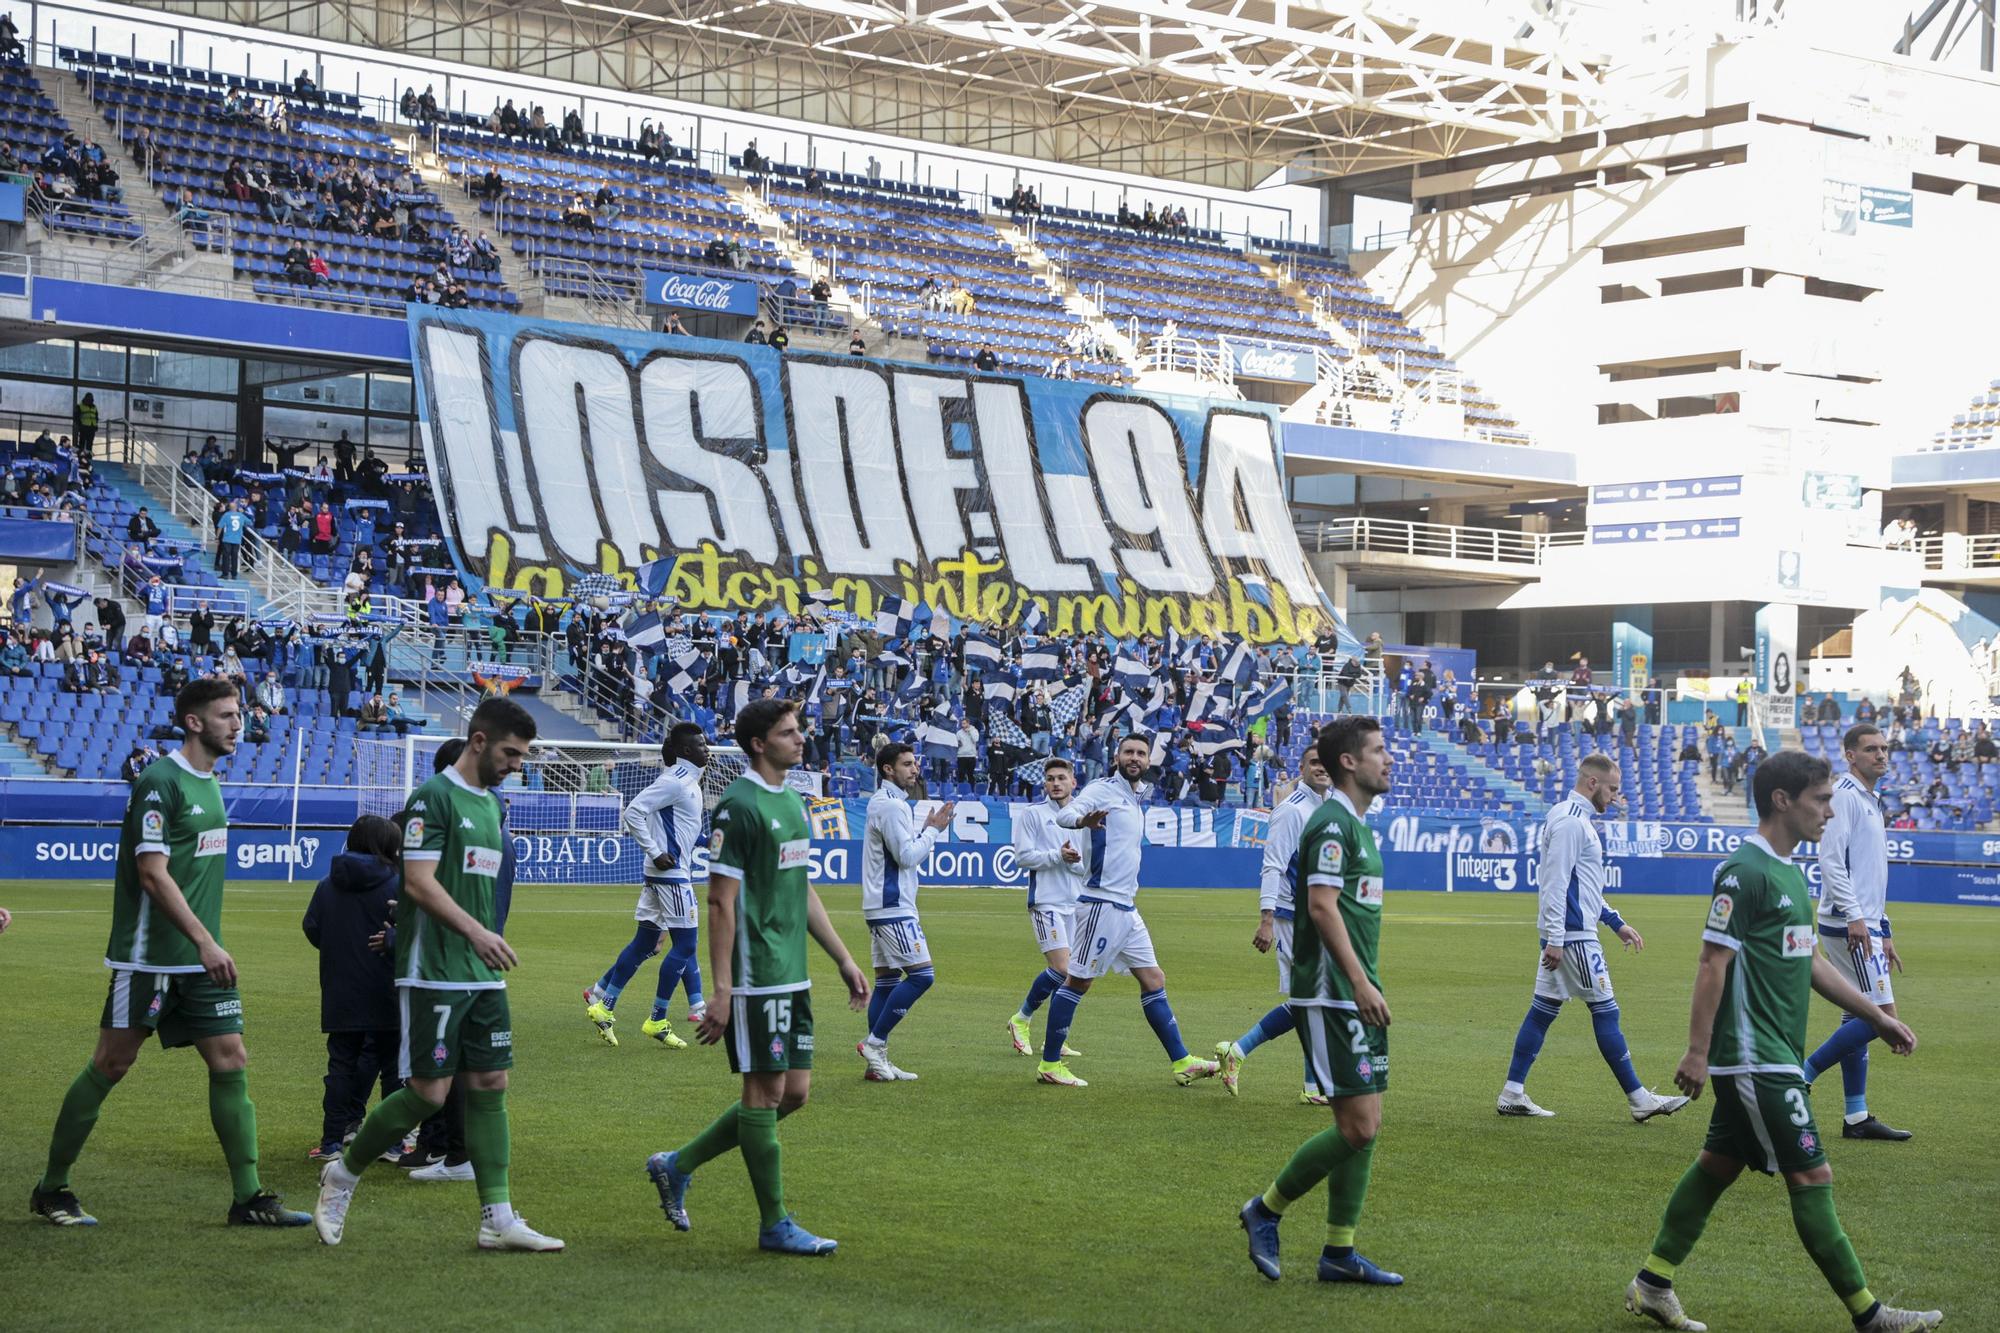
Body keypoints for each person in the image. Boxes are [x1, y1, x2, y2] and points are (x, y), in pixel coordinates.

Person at [1621, 751, 1937, 1333]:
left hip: (1774, 1055)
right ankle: (1870, 1316)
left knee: (1716, 1166)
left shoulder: (1793, 872)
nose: (1830, 811)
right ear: (1782, 801)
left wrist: (1879, 1016)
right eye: (1820, 800)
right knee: (1812, 1176)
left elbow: (1813, 963)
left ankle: (1652, 1283)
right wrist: (1696, 1050)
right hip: (1753, 1058)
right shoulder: (1746, 873)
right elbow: (1712, 961)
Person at [31, 678, 311, 1228]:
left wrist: (205, 943)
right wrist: (205, 940)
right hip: (149, 957)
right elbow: (152, 875)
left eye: (240, 715)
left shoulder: (209, 783)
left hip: (199, 959)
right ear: (194, 722)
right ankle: (51, 1188)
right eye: (228, 715)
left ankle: (249, 1198)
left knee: (231, 1059)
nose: (240, 724)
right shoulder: (161, 781)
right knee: (112, 1063)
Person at [311, 698, 562, 1252]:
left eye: (522, 756)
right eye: (510, 753)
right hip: (434, 970)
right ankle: (343, 1173)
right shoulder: (432, 799)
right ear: (478, 741)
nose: (516, 764)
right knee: (427, 1093)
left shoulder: (493, 807)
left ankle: (497, 1220)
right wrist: (476, 932)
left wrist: (482, 938)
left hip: (482, 972)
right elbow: (419, 882)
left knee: (492, 1085)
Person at [643, 698, 869, 1256]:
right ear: (758, 744)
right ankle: (775, 1225)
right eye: (789, 733)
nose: (800, 739)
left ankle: (678, 1163)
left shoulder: (792, 801)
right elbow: (720, 901)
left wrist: (842, 957)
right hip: (754, 975)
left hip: (793, 973)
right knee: (763, 1094)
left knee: (794, 1094)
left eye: (799, 731)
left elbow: (802, 886)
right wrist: (721, 989)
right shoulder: (737, 807)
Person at [1237, 716, 1401, 1286]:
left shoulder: (1355, 823)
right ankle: (1265, 1210)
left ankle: (1339, 1252)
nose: (1389, 758)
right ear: (1350, 762)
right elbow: (1321, 906)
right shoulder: (1332, 825)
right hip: (1332, 992)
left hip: (1353, 989)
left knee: (1366, 1123)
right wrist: (1358, 982)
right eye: (1379, 750)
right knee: (1356, 1127)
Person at [1496, 753, 1689, 1122]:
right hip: (1573, 937)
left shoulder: (1570, 817)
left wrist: (1615, 922)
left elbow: (1582, 885)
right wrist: (1556, 937)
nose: (1616, 797)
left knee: (1541, 1012)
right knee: (1606, 1010)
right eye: (1612, 789)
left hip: (1568, 932)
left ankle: (1512, 1092)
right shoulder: (1572, 823)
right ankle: (1639, 1099)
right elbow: (1556, 882)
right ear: (1592, 783)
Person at [1038, 733, 1221, 1089]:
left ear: (1148, 760)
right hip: (1101, 904)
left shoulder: (1134, 797)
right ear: (1116, 756)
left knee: (1154, 979)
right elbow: (1069, 813)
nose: (1134, 757)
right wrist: (1081, 822)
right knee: (1078, 981)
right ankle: (1049, 1063)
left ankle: (1182, 1061)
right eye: (1128, 752)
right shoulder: (1103, 789)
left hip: (1126, 907)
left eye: (1141, 753)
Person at [1797, 724, 1911, 1142]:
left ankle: (1856, 1116)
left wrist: (1883, 928)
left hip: (1863, 923)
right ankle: (1801, 1075)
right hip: (1847, 923)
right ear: (1850, 755)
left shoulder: (1868, 798)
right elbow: (1830, 861)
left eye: (1884, 748)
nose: (1881, 755)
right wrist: (1856, 918)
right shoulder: (1844, 795)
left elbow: (1868, 874)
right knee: (1883, 1017)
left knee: (1857, 1013)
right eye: (1871, 749)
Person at [1216, 738, 1331, 1103]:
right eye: (1313, 762)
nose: (1321, 767)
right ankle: (1310, 1085)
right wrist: (1266, 919)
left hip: (1317, 915)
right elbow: (1273, 866)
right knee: (1314, 1000)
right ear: (1302, 768)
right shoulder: (1291, 810)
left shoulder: (1328, 806)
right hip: (1292, 917)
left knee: (1312, 1000)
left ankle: (1239, 1052)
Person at [583, 724, 709, 1049]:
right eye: (700, 744)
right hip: (671, 875)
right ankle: (657, 1019)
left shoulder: (689, 783)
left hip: (663, 874)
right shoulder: (675, 781)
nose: (707, 749)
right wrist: (655, 851)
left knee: (644, 944)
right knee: (685, 946)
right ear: (685, 751)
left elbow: (680, 829)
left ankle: (603, 1005)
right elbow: (633, 811)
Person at [302, 816, 405, 1160]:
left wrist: (340, 948)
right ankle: (392, 1142)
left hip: (340, 988)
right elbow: (416, 933)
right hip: (386, 988)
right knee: (392, 1070)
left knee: (341, 1066)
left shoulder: (327, 884)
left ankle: (332, 1141)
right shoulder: (396, 885)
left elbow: (312, 928)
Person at [857, 743, 953, 1082]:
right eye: (908, 764)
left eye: (915, 764)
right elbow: (908, 857)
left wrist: (924, 830)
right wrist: (933, 831)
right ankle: (874, 1043)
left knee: (886, 982)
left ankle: (877, 1062)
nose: (915, 770)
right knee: (922, 976)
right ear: (887, 769)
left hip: (880, 905)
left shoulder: (886, 803)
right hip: (892, 906)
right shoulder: (891, 807)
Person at [1003, 757, 1088, 1057]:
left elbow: (1086, 863)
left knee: (1074, 975)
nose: (1055, 783)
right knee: (1061, 969)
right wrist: (1057, 856)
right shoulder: (1033, 814)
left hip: (1076, 904)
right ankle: (1021, 1019)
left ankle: (1055, 1038)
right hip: (1046, 901)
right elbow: (1022, 857)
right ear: (1044, 783)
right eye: (1050, 778)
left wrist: (1076, 862)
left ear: (1073, 782)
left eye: (1061, 778)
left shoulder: (1084, 817)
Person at [215, 500, 249, 579]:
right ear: (236, 507)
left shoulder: (226, 515)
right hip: (237, 540)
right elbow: (249, 522)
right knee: (235, 557)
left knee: (226, 557)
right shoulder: (241, 515)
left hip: (227, 539)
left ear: (229, 508)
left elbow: (220, 527)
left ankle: (225, 574)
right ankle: (234, 575)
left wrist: (217, 537)